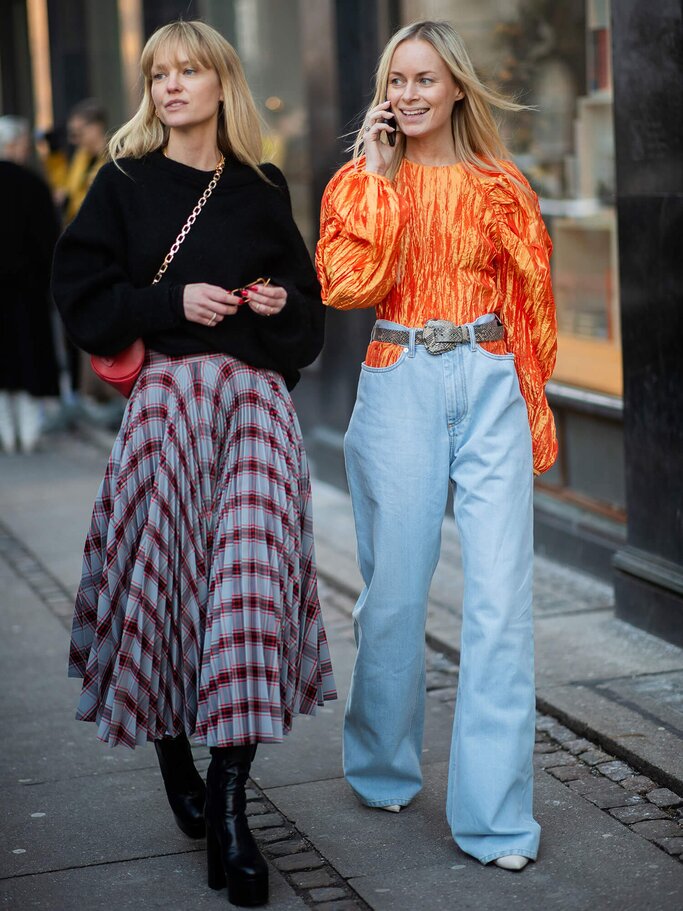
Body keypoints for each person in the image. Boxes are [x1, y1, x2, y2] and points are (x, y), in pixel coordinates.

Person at [52, 20, 336, 907]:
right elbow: (82, 293)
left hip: (255, 412)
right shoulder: (124, 182)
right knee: (170, 585)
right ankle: (173, 743)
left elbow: (308, 320)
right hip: (168, 406)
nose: (172, 86)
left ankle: (229, 795)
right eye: (158, 74)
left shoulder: (260, 186)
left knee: (246, 590)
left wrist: (281, 299)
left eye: (189, 71)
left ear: (222, 83)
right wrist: (172, 298)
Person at [316, 20, 557, 872]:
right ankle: (382, 761)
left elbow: (532, 307)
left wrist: (532, 404)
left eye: (424, 80)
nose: (409, 95)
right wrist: (379, 183)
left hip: (489, 374)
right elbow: (346, 285)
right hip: (398, 373)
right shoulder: (359, 182)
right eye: (397, 81)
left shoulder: (501, 185)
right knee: (394, 594)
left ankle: (493, 819)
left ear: (456, 85)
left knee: (500, 607)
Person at [0, 116, 61, 453]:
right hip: (27, 290)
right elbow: (50, 242)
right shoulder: (33, 185)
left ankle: (6, 436)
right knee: (28, 359)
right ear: (13, 145)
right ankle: (28, 434)